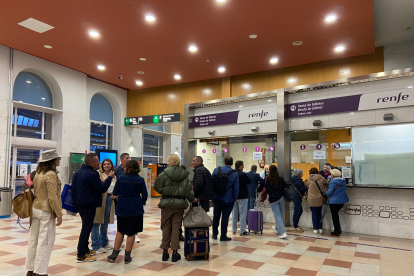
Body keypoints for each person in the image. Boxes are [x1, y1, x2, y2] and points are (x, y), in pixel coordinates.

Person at [25, 149, 63, 276]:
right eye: (58, 158)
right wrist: (59, 214)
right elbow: (52, 197)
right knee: (45, 242)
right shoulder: (51, 174)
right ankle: (40, 272)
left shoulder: (38, 173)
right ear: (52, 160)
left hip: (35, 208)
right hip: (45, 211)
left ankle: (30, 270)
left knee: (33, 240)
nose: (59, 160)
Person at [71, 153, 114, 263]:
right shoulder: (92, 174)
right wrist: (109, 178)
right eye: (97, 161)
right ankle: (81, 255)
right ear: (91, 163)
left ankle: (86, 250)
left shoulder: (78, 172)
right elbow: (102, 189)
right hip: (89, 205)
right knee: (86, 229)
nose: (98, 163)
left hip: (80, 204)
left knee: (86, 227)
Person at [154, 154, 194, 262]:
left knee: (165, 227)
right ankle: (175, 253)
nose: (167, 163)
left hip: (166, 203)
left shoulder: (163, 174)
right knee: (176, 228)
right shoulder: (184, 175)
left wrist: (164, 191)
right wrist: (191, 199)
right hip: (179, 204)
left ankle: (165, 252)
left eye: (168, 161)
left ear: (171, 162)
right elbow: (188, 190)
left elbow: (157, 187)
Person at [107, 160, 148, 264]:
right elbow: (145, 195)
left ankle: (114, 255)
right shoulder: (140, 179)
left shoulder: (121, 178)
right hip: (136, 209)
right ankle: (127, 256)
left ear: (126, 167)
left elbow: (115, 192)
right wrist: (141, 202)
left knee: (120, 231)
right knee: (131, 232)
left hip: (122, 208)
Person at [91, 159, 116, 254]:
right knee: (97, 221)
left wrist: (114, 194)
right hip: (100, 199)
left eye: (108, 164)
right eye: (104, 164)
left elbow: (114, 187)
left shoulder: (113, 175)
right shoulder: (98, 174)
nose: (106, 165)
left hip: (109, 199)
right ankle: (96, 245)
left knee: (105, 222)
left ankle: (104, 242)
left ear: (111, 165)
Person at [211, 156, 239, 241]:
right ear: (232, 163)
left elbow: (211, 183)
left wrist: (212, 195)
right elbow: (236, 188)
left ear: (224, 162)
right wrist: (234, 199)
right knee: (225, 217)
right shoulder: (234, 173)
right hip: (228, 199)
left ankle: (214, 234)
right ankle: (223, 235)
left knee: (216, 216)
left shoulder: (216, 170)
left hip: (216, 197)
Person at [257, 165, 288, 239]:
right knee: (279, 215)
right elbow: (285, 187)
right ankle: (278, 229)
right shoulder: (280, 179)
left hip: (273, 200)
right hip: (281, 199)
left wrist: (257, 190)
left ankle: (282, 232)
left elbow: (260, 188)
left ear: (269, 171)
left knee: (278, 216)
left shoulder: (266, 179)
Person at [305, 167, 329, 234]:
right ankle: (320, 228)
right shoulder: (321, 177)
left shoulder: (309, 178)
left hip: (311, 198)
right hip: (320, 197)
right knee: (319, 213)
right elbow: (327, 183)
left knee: (314, 214)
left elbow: (307, 187)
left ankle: (315, 228)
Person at [326, 169, 349, 236]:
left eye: (331, 174)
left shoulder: (333, 182)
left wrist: (325, 193)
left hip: (333, 202)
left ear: (333, 175)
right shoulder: (343, 181)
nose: (330, 176)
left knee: (334, 216)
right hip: (341, 201)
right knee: (335, 215)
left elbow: (329, 193)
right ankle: (338, 229)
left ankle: (337, 230)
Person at [232, 160, 251, 236]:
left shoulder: (232, 173)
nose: (243, 167)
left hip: (234, 196)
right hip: (243, 196)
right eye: (243, 165)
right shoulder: (243, 174)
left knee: (234, 213)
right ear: (240, 166)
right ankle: (243, 230)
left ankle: (234, 229)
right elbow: (249, 181)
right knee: (243, 213)